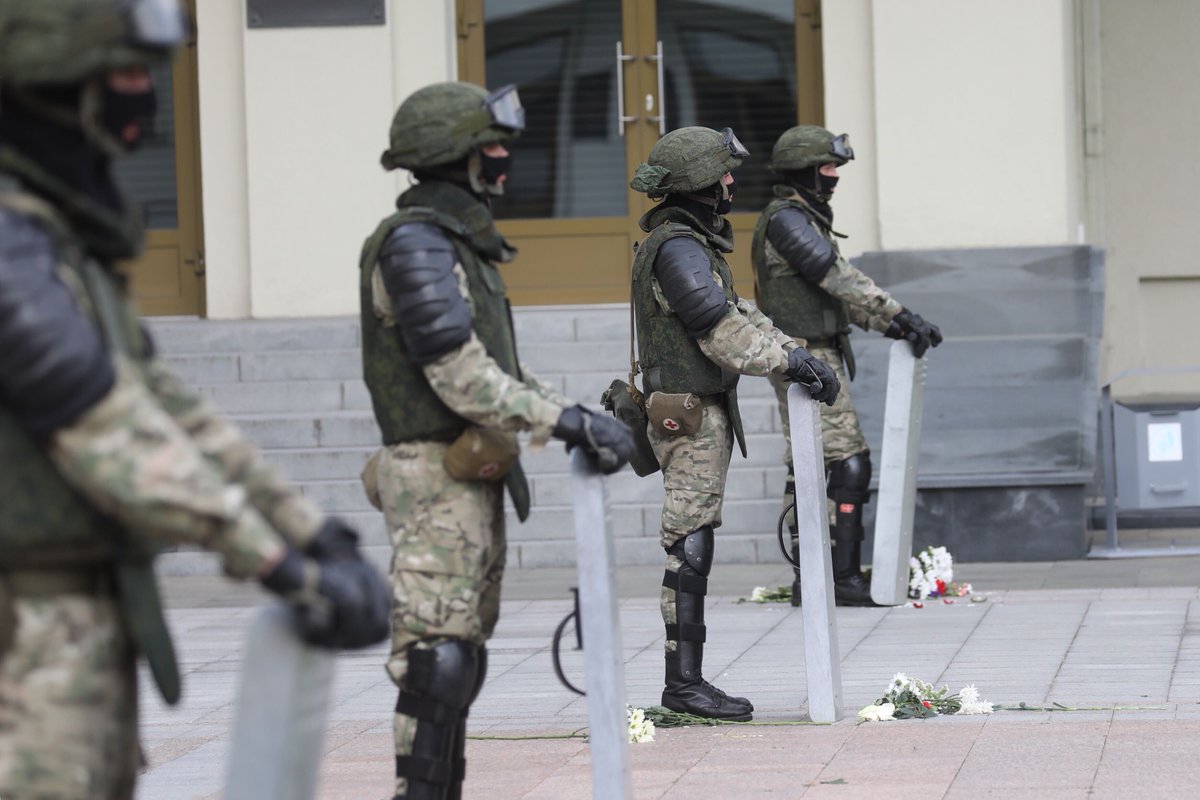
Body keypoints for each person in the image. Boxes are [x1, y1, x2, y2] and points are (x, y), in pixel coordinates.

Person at [0, 2, 391, 798]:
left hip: (76, 623)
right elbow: (107, 432)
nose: (142, 95)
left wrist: (308, 527)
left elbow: (165, 406)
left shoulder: (53, 238)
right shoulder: (10, 247)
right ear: (48, 87)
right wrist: (277, 565)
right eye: (123, 75)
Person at [362, 80, 633, 800]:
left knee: (462, 661)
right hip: (431, 481)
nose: (504, 159)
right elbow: (458, 375)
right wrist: (562, 422)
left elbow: (502, 370)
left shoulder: (456, 243)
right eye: (491, 147)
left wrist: (573, 410)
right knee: (436, 663)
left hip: (468, 478)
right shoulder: (414, 243)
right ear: (456, 159)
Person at [628, 126, 840, 721]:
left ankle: (688, 680)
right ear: (696, 183)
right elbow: (719, 330)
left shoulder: (692, 244)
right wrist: (788, 359)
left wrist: (793, 350)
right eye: (721, 174)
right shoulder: (678, 248)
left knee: (696, 538)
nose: (730, 183)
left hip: (700, 410)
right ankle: (684, 685)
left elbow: (741, 312)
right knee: (689, 544)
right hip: (688, 416)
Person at [751, 125, 943, 607]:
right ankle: (837, 578)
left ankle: (817, 575)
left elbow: (831, 298)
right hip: (803, 355)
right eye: (828, 168)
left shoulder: (805, 217)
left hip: (812, 351)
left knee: (815, 465)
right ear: (804, 171)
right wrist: (899, 314)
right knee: (845, 464)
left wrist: (896, 327)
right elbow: (837, 279)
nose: (835, 177)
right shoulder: (788, 220)